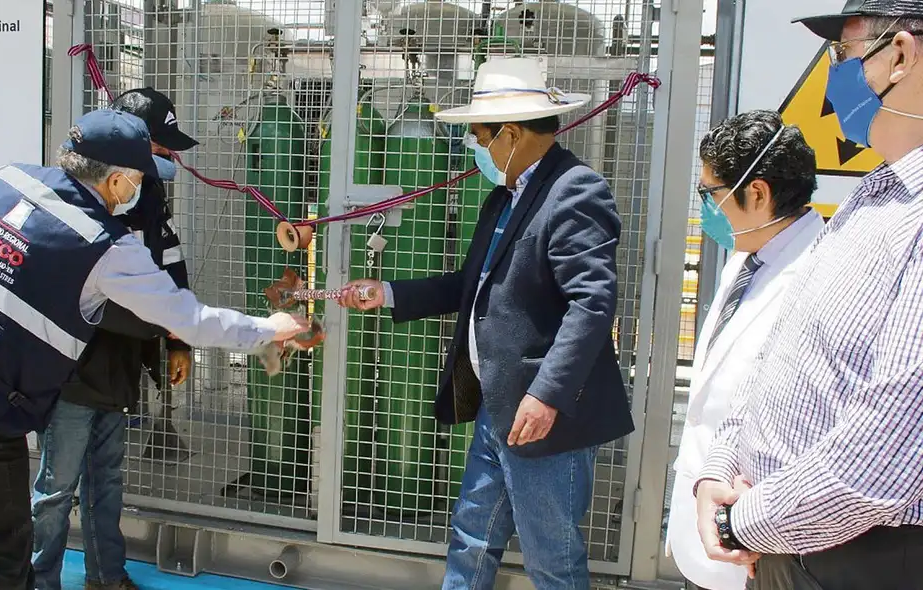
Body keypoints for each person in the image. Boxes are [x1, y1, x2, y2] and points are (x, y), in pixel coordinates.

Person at [0, 108, 307, 590]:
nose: (141, 190)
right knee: (3, 558)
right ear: (120, 181)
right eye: (139, 180)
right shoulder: (104, 245)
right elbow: (186, 317)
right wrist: (267, 329)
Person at [338, 57, 634, 589]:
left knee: (552, 558)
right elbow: (470, 285)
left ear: (511, 135)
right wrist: (384, 293)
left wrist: (546, 397)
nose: (472, 147)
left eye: (478, 136)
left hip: (545, 418)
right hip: (498, 411)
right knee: (472, 539)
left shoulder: (574, 190)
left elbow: (591, 304)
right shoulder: (505, 197)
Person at [693, 3, 923, 589]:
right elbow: (779, 358)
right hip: (784, 545)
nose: (831, 81)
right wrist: (720, 468)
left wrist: (741, 522)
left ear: (899, 56)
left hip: (855, 559)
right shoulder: (876, 194)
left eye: (842, 56)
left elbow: (884, 454)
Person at [31, 89, 199, 590]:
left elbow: (171, 267)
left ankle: (108, 578)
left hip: (121, 370)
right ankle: (41, 582)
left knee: (107, 481)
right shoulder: (77, 199)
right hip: (73, 371)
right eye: (161, 149)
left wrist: (177, 341)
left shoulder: (147, 198)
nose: (168, 160)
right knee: (56, 490)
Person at [664, 110, 824, 590]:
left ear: (756, 193)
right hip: (710, 514)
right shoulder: (749, 254)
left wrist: (762, 519)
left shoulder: (821, 271)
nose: (706, 209)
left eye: (710, 194)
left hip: (755, 530)